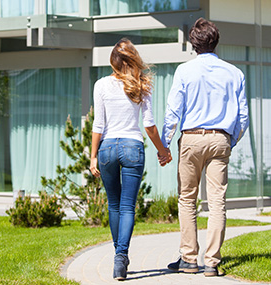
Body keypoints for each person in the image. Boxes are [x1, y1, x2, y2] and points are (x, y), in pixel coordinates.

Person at [161, 18, 249, 277]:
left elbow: (173, 112)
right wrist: (229, 140)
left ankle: (189, 259)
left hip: (191, 138)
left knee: (187, 199)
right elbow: (242, 118)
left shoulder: (184, 71)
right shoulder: (235, 73)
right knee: (217, 201)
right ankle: (211, 262)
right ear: (216, 41)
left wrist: (164, 145)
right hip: (220, 138)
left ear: (193, 43)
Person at [90, 38, 172, 281]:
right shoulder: (141, 85)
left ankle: (119, 257)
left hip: (107, 149)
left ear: (113, 62)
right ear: (133, 59)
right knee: (127, 206)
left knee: (113, 205)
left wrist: (93, 156)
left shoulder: (101, 85)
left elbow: (98, 125)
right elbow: (149, 126)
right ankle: (121, 257)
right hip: (132, 147)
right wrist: (163, 150)